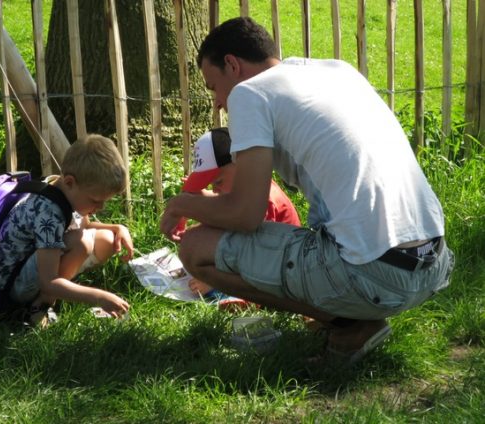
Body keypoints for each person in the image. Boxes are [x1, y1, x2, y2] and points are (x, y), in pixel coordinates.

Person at [160, 17, 454, 364]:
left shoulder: (249, 93)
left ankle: (351, 325)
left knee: (196, 249)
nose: (219, 104)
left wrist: (182, 204)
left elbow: (245, 214)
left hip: (375, 275)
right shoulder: (337, 72)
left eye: (213, 88)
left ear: (233, 65)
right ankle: (348, 311)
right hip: (433, 262)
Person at [0, 134, 133, 327]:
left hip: (35, 264)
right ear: (69, 182)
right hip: (15, 284)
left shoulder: (62, 190)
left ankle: (54, 293)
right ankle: (39, 307)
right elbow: (48, 281)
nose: (101, 207)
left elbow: (84, 226)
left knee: (106, 240)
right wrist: (99, 297)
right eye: (95, 200)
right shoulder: (49, 213)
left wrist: (118, 228)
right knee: (82, 243)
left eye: (104, 201)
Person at [180, 127, 300, 300]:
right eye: (211, 185)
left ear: (242, 164)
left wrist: (215, 282)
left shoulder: (261, 201)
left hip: (280, 274)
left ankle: (235, 296)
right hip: (267, 261)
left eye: (218, 181)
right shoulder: (247, 192)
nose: (215, 189)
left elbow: (256, 258)